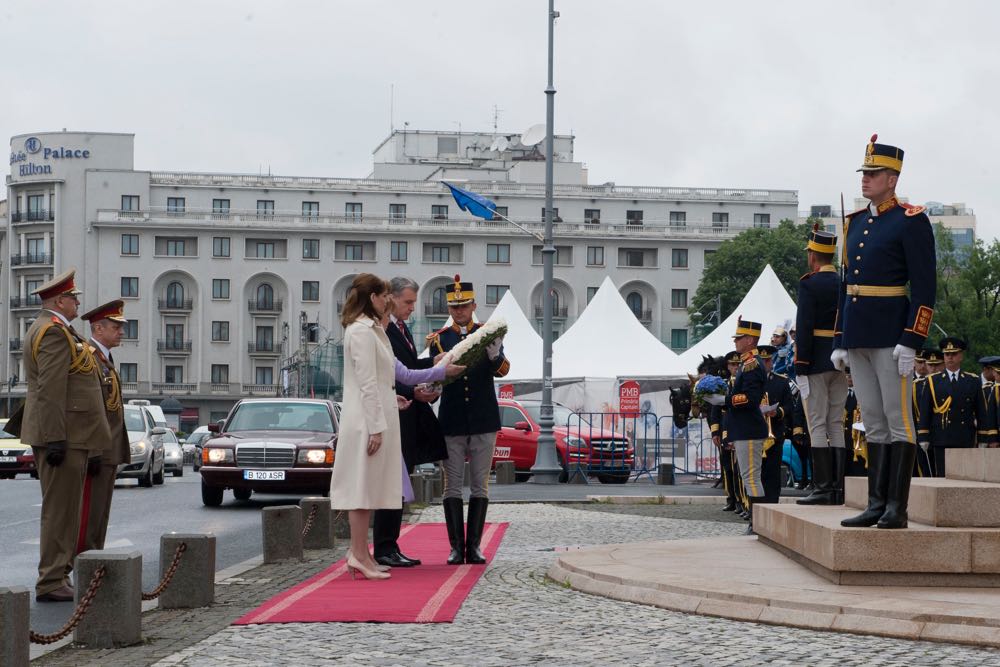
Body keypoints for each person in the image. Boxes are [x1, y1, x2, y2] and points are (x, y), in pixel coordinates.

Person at [330, 274, 464, 580]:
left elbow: (396, 373)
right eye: (384, 297)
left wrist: (437, 371)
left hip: (376, 416)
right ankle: (358, 554)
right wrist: (376, 426)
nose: (387, 302)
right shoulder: (362, 332)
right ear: (373, 298)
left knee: (369, 490)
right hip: (366, 422)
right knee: (361, 491)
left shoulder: (373, 329)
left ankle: (361, 554)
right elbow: (366, 383)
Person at [837, 134, 936, 530]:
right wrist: (841, 339)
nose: (866, 179)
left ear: (892, 179)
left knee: (899, 422)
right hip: (860, 334)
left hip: (892, 335)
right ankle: (876, 504)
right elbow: (847, 285)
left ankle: (897, 507)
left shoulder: (911, 221)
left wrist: (913, 338)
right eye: (865, 173)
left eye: (874, 173)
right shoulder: (857, 223)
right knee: (873, 421)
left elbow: (925, 288)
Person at [20, 269, 111, 602]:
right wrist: (56, 437)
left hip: (73, 435)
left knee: (67, 510)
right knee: (60, 511)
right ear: (60, 300)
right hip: (65, 436)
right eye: (74, 298)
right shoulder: (54, 332)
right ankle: (51, 579)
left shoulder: (58, 330)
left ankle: (59, 575)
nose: (77, 302)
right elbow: (51, 388)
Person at [428, 275, 510, 565]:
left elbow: (503, 371)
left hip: (483, 418)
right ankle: (455, 547)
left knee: (479, 484)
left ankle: (473, 546)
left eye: (464, 306)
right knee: (451, 486)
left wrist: (494, 356)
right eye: (454, 307)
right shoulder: (439, 339)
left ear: (474, 305)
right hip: (452, 420)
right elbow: (433, 386)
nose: (459, 311)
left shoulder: (486, 334)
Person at [372, 277, 448, 568]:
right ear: (390, 298)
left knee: (400, 483)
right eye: (407, 302)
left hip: (407, 413)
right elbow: (389, 374)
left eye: (413, 302)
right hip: (395, 414)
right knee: (392, 484)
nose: (412, 308)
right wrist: (416, 386)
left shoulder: (400, 327)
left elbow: (408, 367)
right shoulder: (383, 329)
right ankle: (384, 547)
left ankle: (391, 544)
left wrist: (431, 363)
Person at [795, 226, 849, 506]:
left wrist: (800, 364)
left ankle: (823, 487)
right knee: (836, 422)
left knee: (817, 423)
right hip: (840, 360)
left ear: (814, 255)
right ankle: (838, 489)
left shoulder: (809, 284)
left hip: (814, 361)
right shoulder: (843, 283)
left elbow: (804, 327)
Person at [704, 318, 767, 534]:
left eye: (739, 339)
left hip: (749, 428)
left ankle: (757, 523)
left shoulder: (751, 365)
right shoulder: (746, 363)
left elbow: (751, 398)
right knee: (749, 477)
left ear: (750, 340)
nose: (736, 342)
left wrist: (725, 400)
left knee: (751, 477)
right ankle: (756, 521)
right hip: (744, 428)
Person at [79, 299, 130, 553]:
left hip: (107, 450)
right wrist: (95, 451)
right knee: (90, 513)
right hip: (97, 450)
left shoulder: (104, 358)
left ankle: (93, 560)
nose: (121, 331)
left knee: (100, 514)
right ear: (98, 329)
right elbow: (89, 410)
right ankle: (86, 562)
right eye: (115, 326)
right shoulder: (89, 359)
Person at [917, 337, 993, 476]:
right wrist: (923, 436)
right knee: (942, 476)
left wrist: (983, 438)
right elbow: (925, 411)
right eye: (947, 354)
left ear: (961, 356)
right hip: (941, 436)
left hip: (964, 436)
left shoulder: (972, 380)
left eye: (954, 354)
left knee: (965, 476)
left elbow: (981, 411)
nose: (950, 358)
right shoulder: (933, 381)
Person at [757, 345, 793, 503]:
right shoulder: (752, 380)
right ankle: (756, 504)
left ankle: (772, 502)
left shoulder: (781, 381)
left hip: (775, 433)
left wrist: (777, 412)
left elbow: (790, 406)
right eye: (763, 361)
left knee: (773, 471)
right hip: (756, 432)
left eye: (768, 360)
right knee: (757, 471)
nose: (766, 364)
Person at [709, 350, 742, 513]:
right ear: (728, 366)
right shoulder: (723, 385)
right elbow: (715, 409)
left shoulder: (743, 383)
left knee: (740, 467)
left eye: (738, 364)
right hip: (724, 430)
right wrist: (715, 432)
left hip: (740, 428)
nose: (735, 367)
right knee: (727, 466)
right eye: (732, 364)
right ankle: (731, 499)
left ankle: (742, 500)